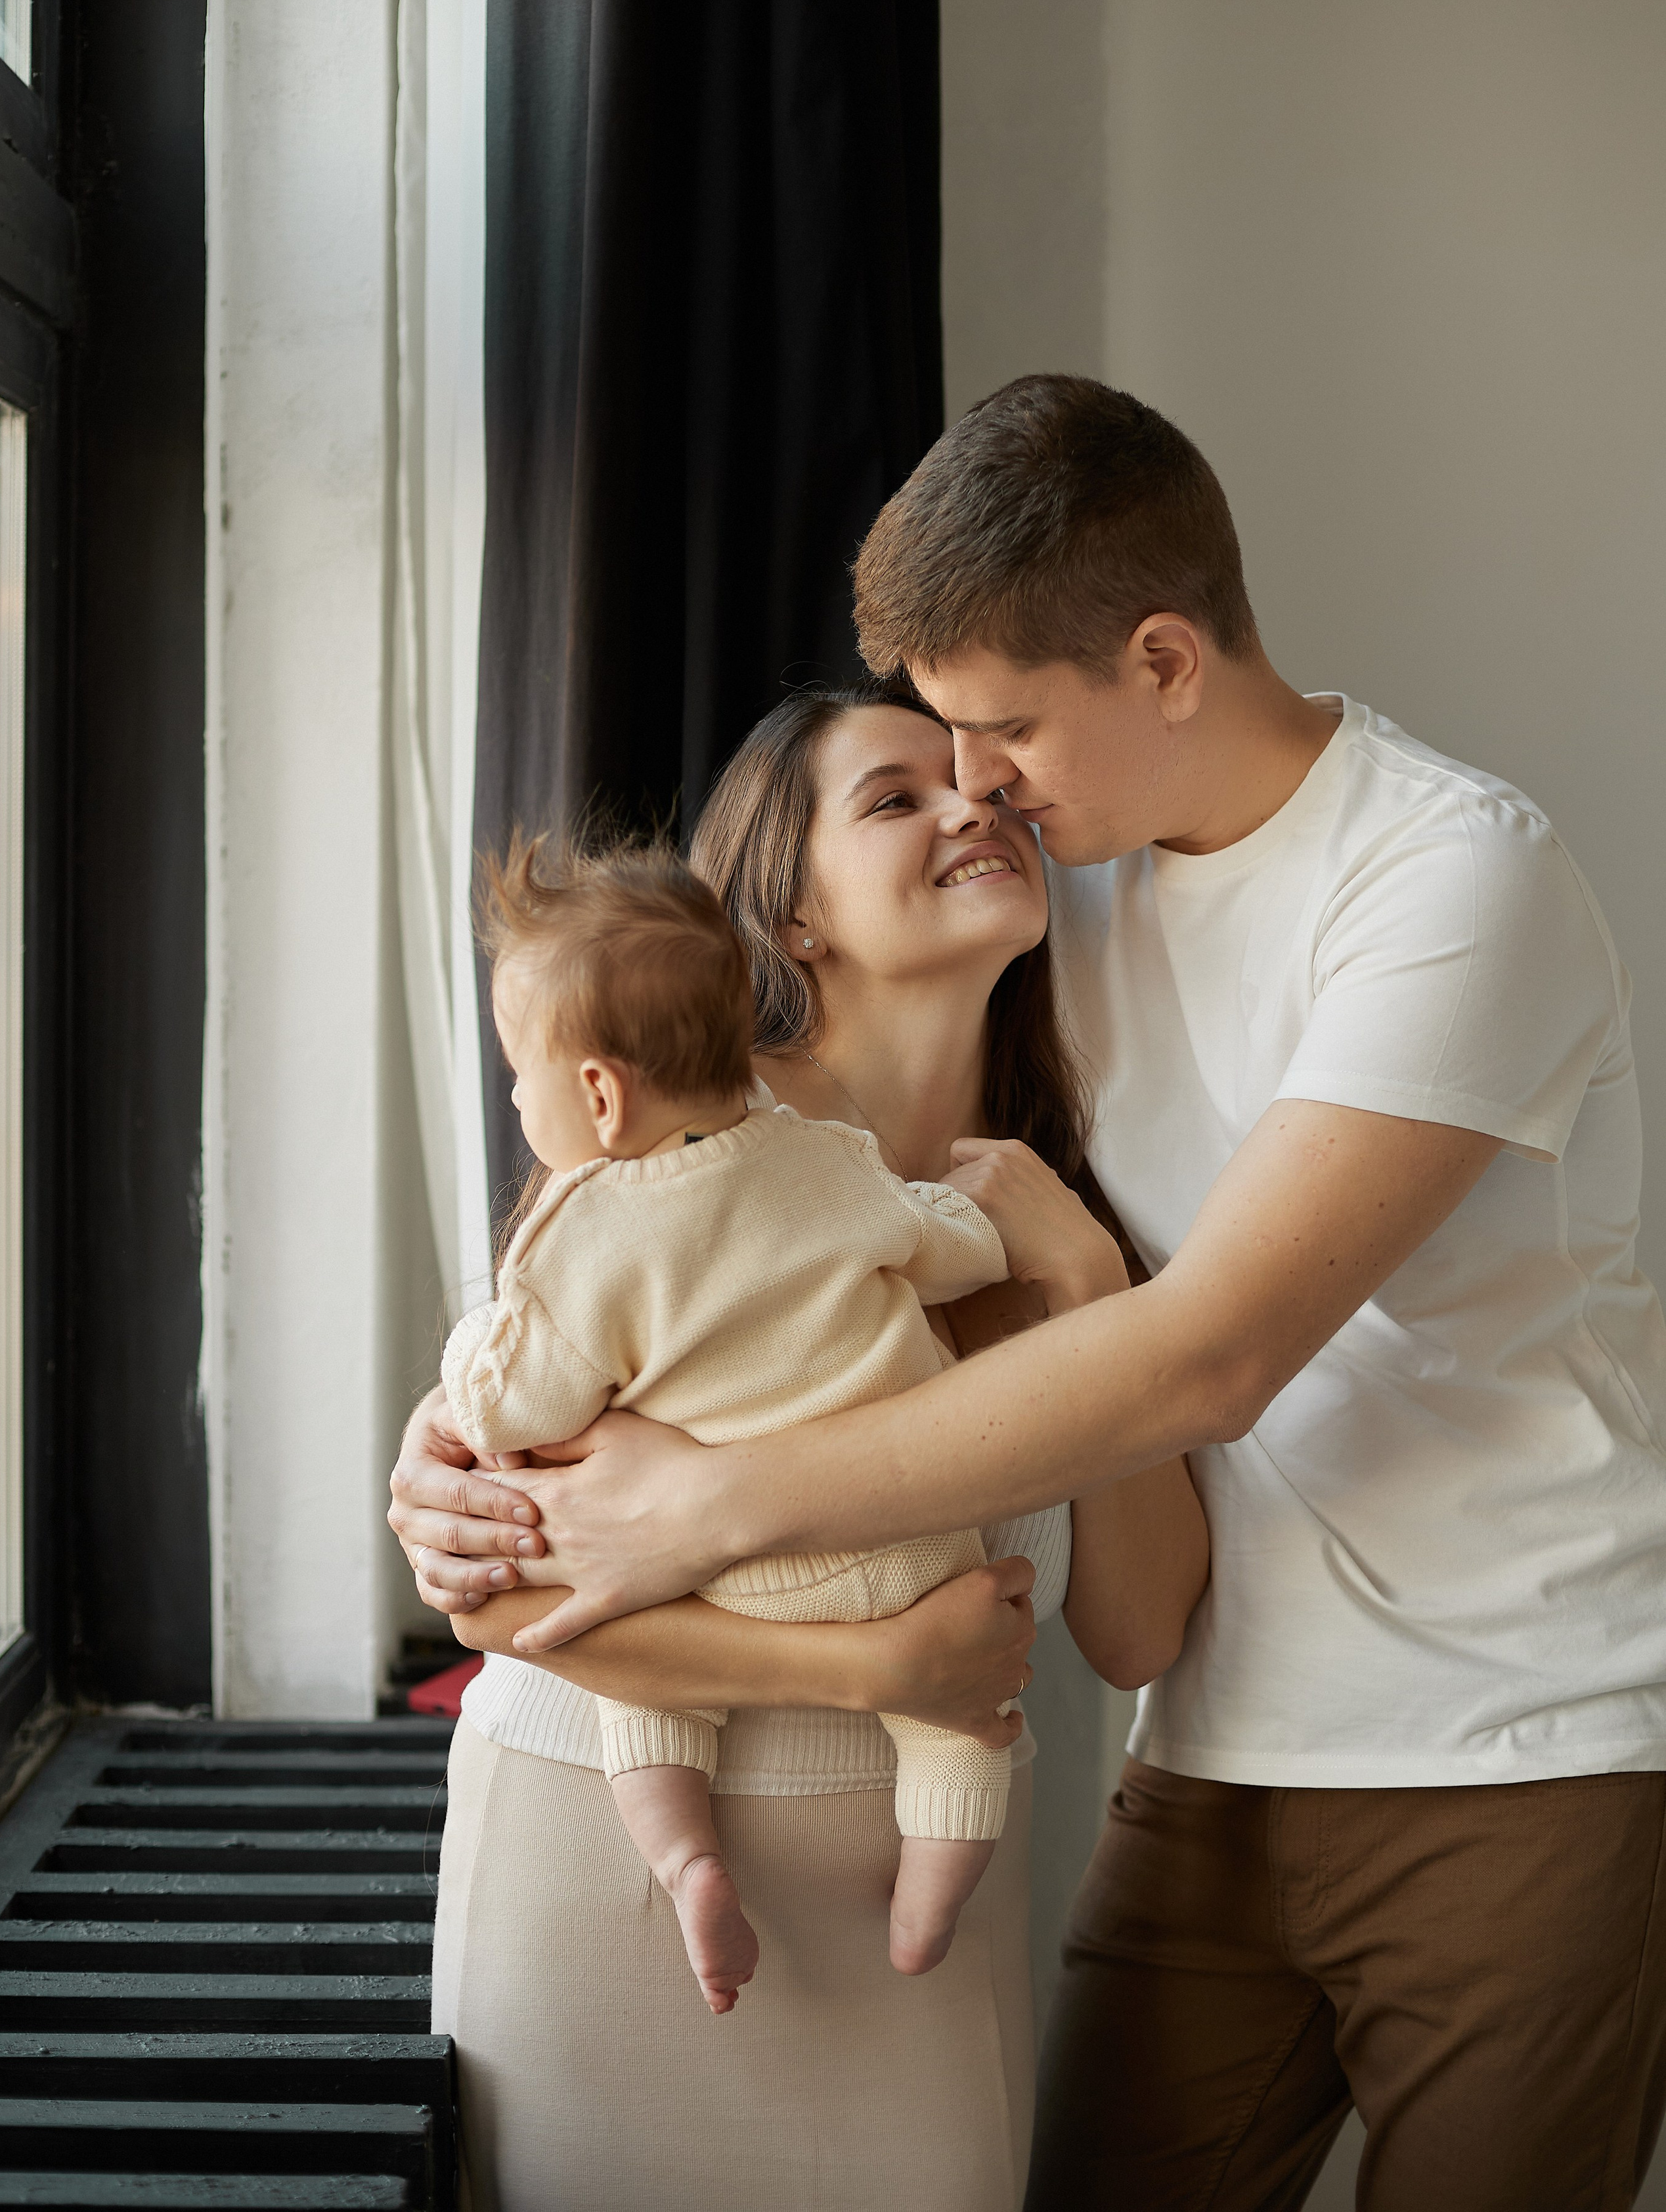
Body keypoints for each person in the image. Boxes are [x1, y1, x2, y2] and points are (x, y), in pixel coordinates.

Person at [397, 376, 1666, 2211]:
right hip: (1211, 1753)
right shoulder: (1076, 904)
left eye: (995, 737)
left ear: (1163, 663)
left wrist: (735, 1498)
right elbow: (544, 1409)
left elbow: (1206, 1354)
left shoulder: (1456, 880)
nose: (983, 792)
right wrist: (437, 1470)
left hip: (1511, 1738)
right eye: (922, 767)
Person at [405, 680, 1209, 2212]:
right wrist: (870, 1673)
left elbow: (1137, 1626)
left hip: (926, 1910)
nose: (973, 805)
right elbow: (499, 1601)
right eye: (897, 796)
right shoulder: (658, 1164)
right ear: (786, 919)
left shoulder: (1067, 1207)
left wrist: (1090, 1291)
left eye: (981, 784)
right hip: (608, 1858)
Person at [439, 830, 1051, 2010]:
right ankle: (931, 1904)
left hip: (726, 1580)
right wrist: (1020, 1239)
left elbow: (512, 1402)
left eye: (519, 1073)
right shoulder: (828, 1163)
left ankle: (687, 1860)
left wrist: (477, 1356)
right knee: (961, 1728)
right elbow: (950, 1245)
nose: (517, 1099)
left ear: (600, 1095)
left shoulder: (583, 1238)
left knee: (653, 1704)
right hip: (918, 1559)